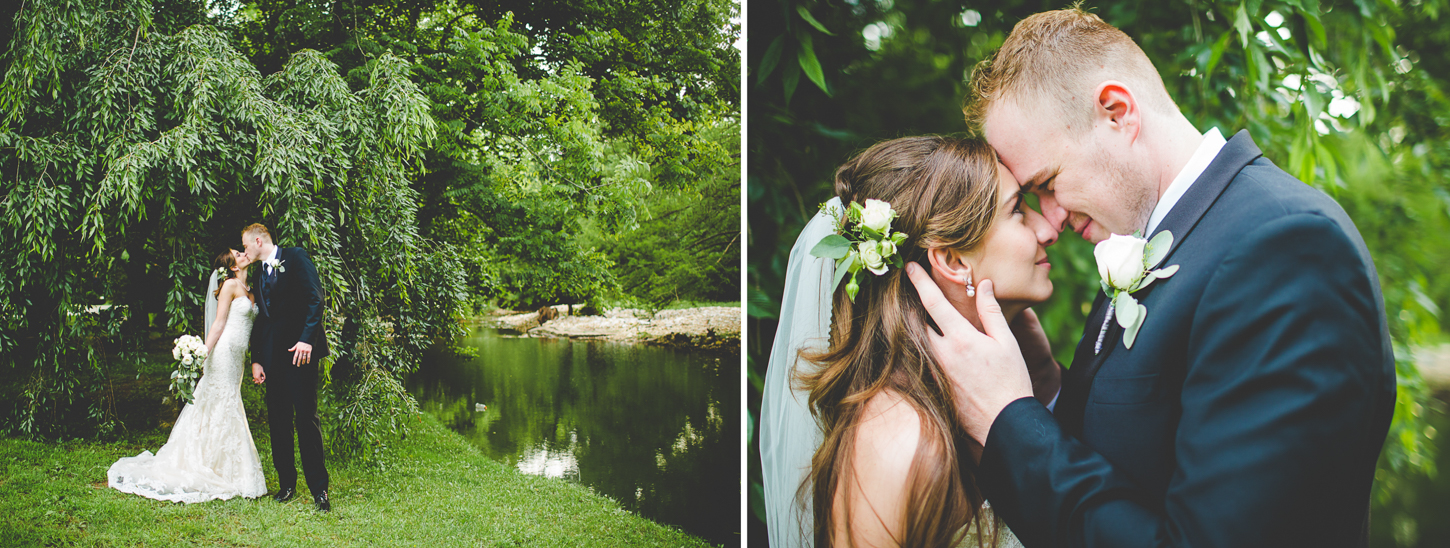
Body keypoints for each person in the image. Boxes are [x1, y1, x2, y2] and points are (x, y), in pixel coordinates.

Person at [905, 8, 1395, 547]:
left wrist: (1008, 420)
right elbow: (1132, 459)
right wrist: (1045, 390)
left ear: (1117, 113)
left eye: (1046, 184)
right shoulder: (1160, 239)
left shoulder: (1286, 248)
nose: (1050, 220)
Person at [761, 136, 1060, 547]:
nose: (1049, 228)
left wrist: (1044, 385)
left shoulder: (985, 396)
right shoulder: (901, 444)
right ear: (954, 261)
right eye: (1017, 211)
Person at [108, 250, 267, 503]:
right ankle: (214, 465)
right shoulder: (229, 286)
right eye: (238, 253)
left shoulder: (251, 287)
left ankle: (219, 461)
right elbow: (219, 323)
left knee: (227, 401)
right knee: (221, 401)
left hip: (238, 358)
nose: (243, 253)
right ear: (232, 266)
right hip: (224, 353)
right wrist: (205, 351)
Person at [242, 223, 332, 513]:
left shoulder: (295, 257)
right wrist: (256, 358)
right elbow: (261, 320)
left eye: (245, 246)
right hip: (273, 359)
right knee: (278, 420)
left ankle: (319, 489)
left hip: (300, 355)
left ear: (258, 240)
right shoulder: (258, 275)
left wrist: (307, 340)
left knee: (306, 418)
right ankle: (287, 484)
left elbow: (314, 299)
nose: (244, 251)